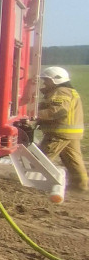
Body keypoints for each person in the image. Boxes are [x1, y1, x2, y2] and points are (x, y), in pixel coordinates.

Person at [37, 66, 88, 195]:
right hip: (71, 133)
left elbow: (57, 111)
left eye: (47, 80)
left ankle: (35, 181)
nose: (44, 83)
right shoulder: (69, 91)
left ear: (56, 80)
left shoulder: (61, 92)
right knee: (73, 160)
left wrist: (34, 115)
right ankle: (80, 185)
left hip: (60, 133)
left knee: (42, 157)